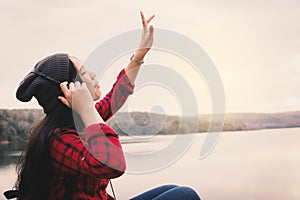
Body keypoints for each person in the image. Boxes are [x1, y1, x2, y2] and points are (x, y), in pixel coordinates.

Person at [6, 12, 201, 200]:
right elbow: (113, 165)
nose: (92, 74)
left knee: (172, 190)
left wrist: (141, 53)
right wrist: (88, 109)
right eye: (84, 72)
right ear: (71, 90)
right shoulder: (57, 139)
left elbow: (117, 95)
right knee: (185, 195)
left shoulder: (81, 121)